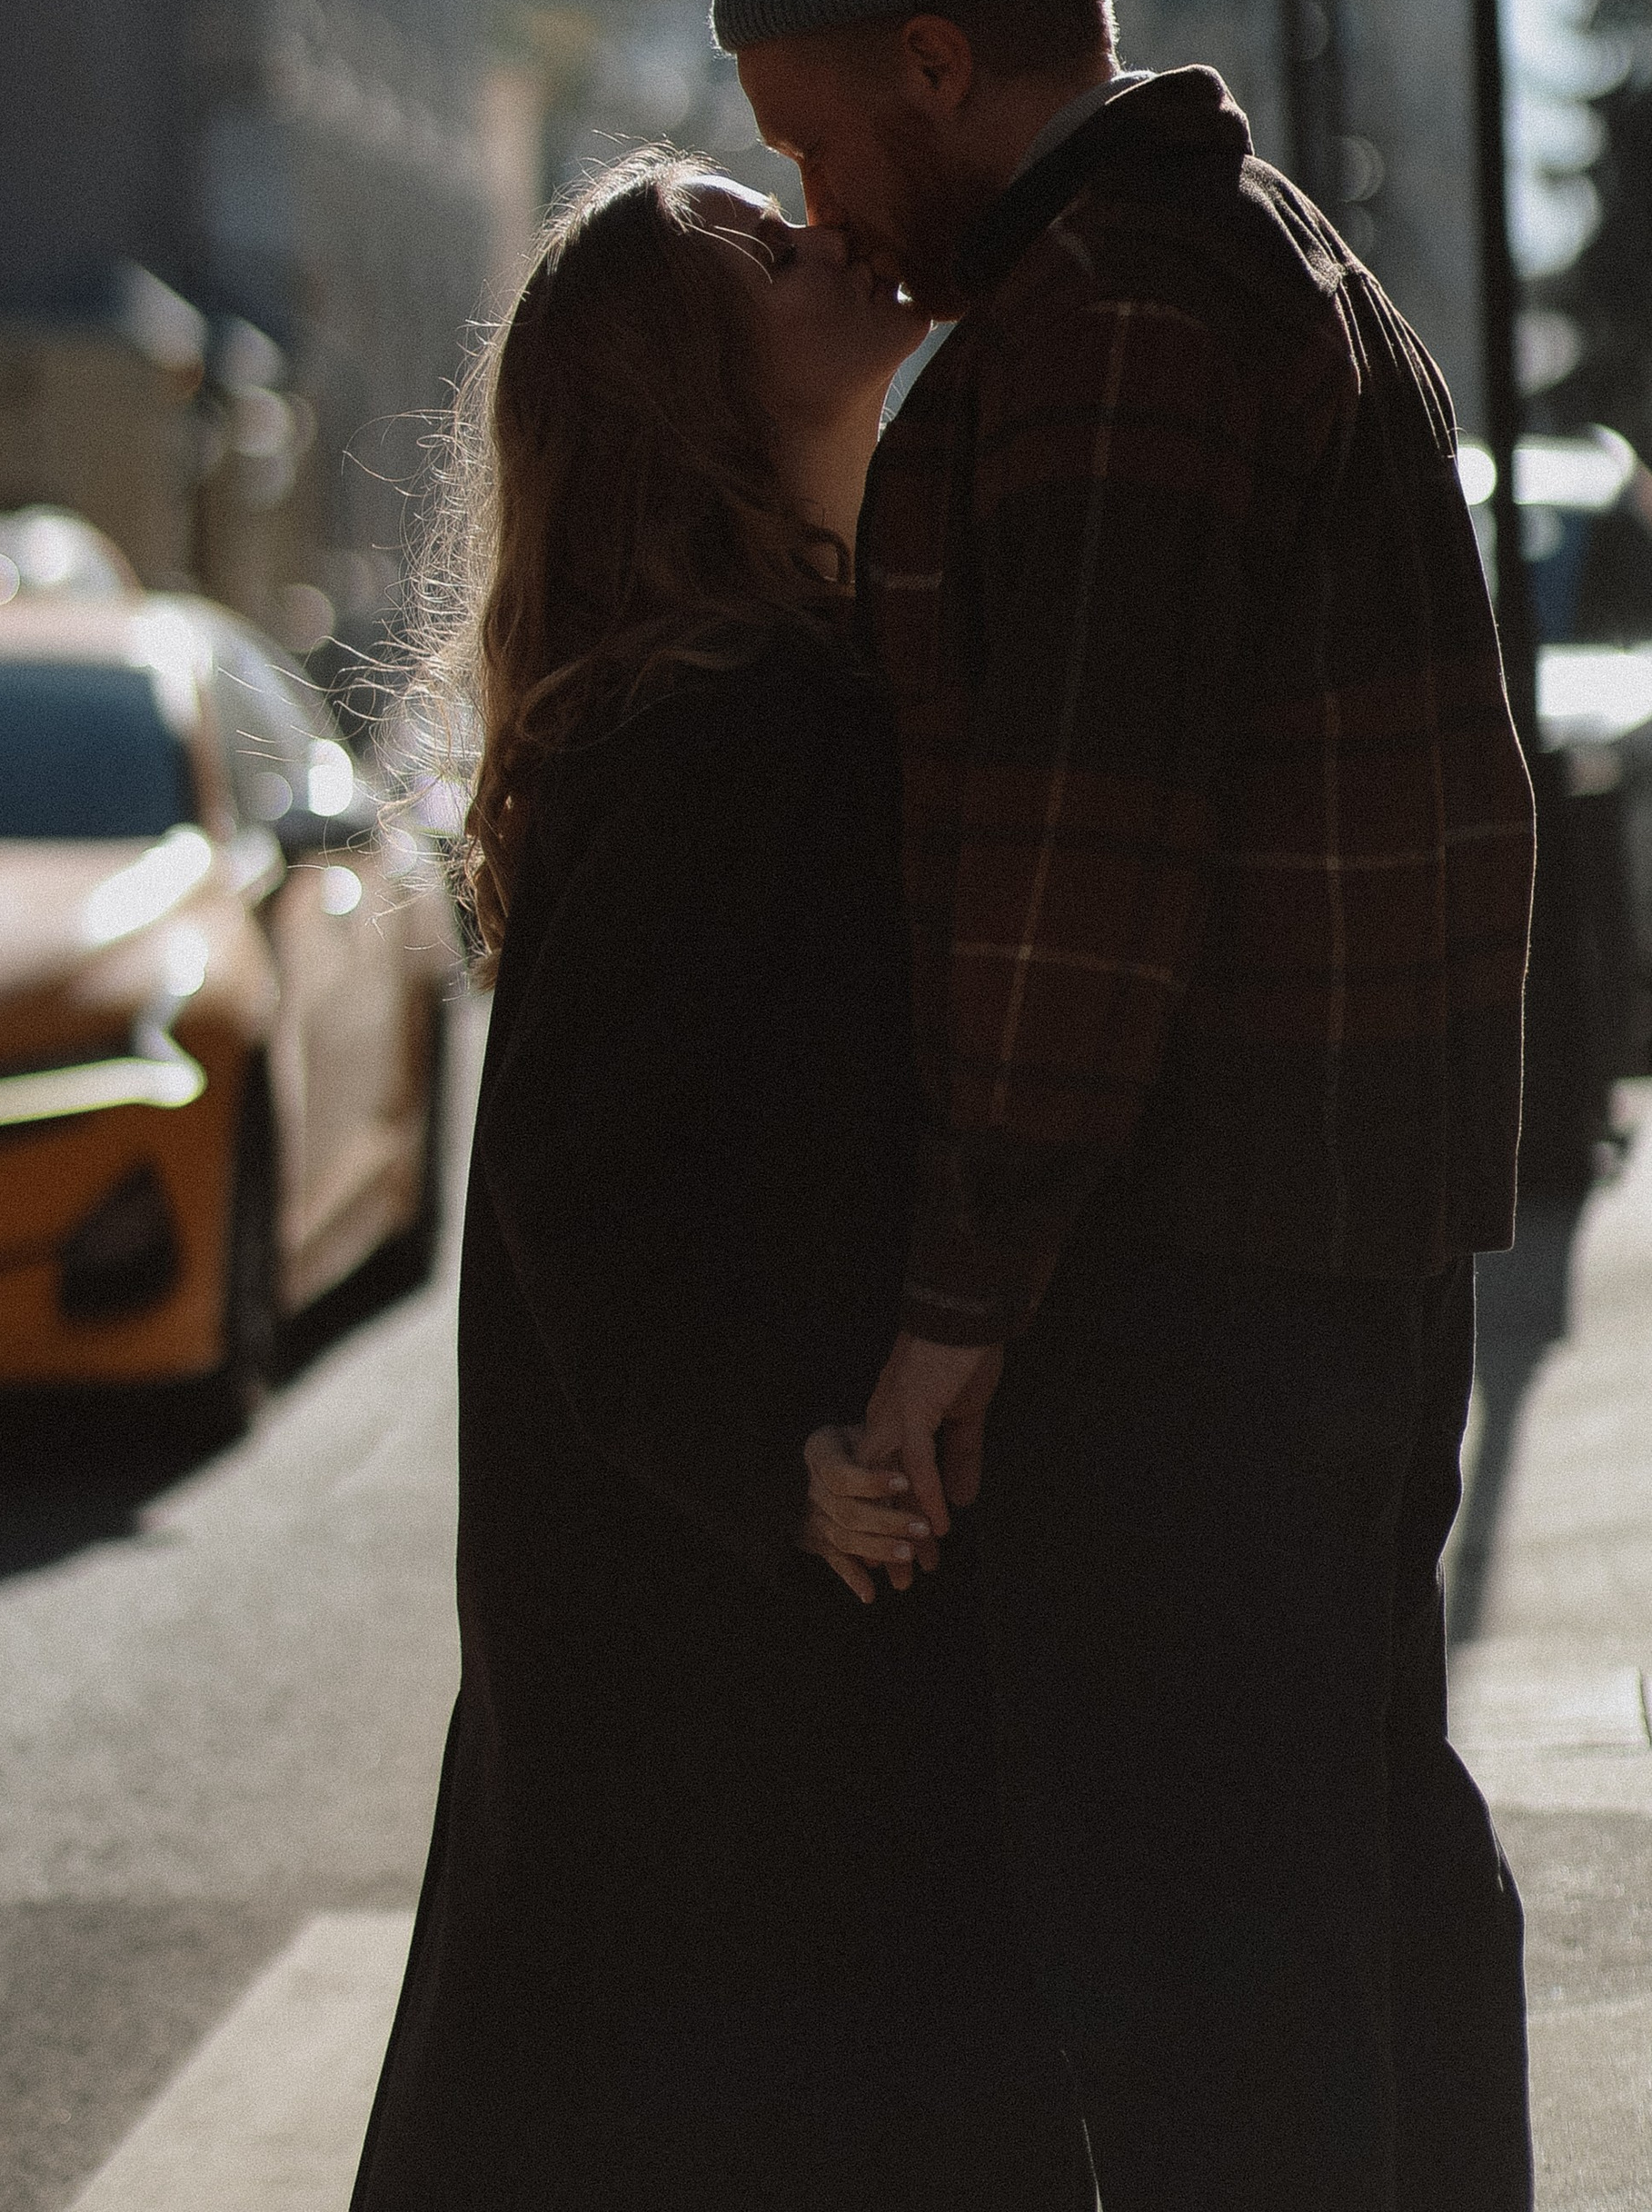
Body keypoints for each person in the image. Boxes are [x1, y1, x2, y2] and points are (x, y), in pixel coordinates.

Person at [716, 0, 1537, 2212]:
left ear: (939, 65)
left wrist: (953, 1318)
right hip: (1341, 1258)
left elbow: (1080, 877)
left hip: (1192, 1288)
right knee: (1360, 1868)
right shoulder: (1247, 259)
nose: (824, 209)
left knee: (1207, 1966)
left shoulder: (1105, 332)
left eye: (817, 141)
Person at [352, 154, 1096, 2212]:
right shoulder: (739, 719)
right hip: (725, 1650)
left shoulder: (788, 669)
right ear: (683, 390)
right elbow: (575, 1207)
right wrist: (783, 1468)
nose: (826, 231)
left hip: (722, 1628)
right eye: (763, 252)